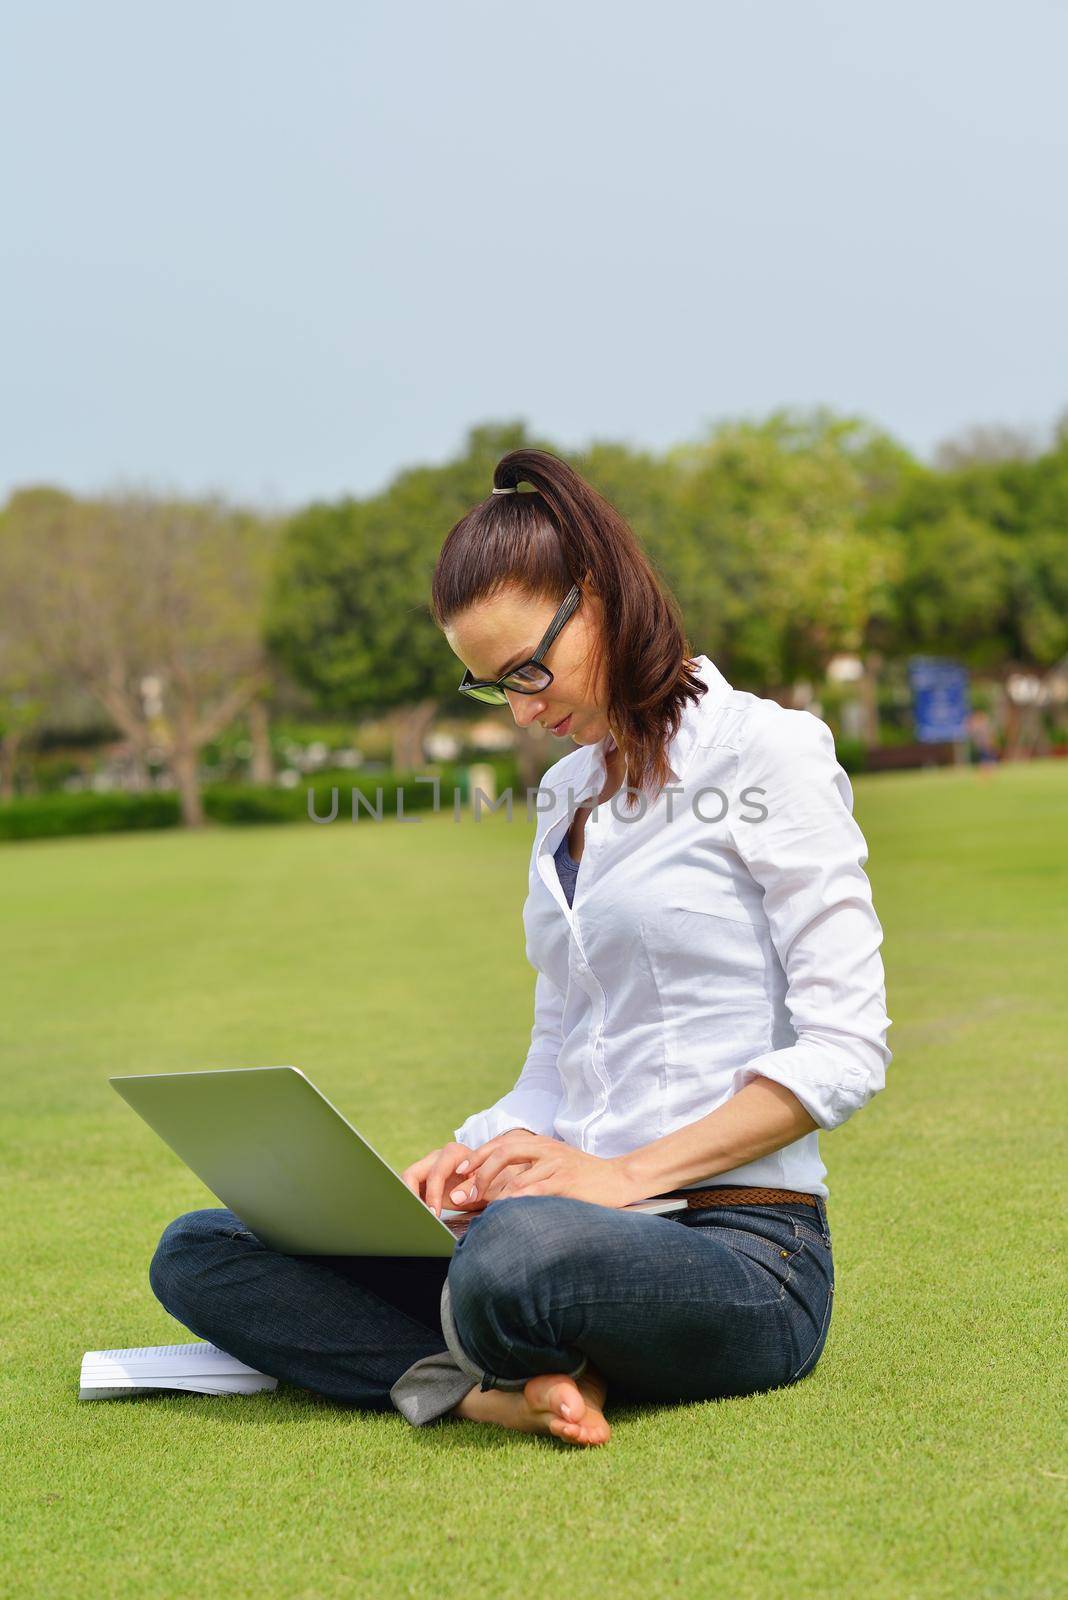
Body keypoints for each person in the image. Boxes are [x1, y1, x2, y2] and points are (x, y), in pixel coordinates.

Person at [148, 448, 892, 1449]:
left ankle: (484, 1337)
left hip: (742, 1251)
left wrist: (622, 1178)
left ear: (600, 598)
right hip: (567, 1220)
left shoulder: (770, 753)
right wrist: (470, 1155)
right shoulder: (564, 797)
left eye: (530, 671)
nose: (525, 712)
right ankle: (481, 1387)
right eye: (491, 685)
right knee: (202, 1249)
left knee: (513, 1258)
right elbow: (558, 1060)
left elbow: (848, 1047)